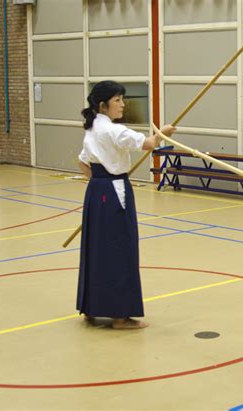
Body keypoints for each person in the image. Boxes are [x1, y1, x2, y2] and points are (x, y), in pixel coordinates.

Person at [77, 81, 176, 329]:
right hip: (113, 193)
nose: (123, 104)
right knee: (120, 250)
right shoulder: (111, 130)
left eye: (123, 99)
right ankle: (120, 316)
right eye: (118, 99)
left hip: (97, 192)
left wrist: (99, 185)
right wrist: (164, 132)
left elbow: (82, 162)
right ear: (103, 105)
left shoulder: (92, 129)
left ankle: (92, 308)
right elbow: (150, 144)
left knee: (97, 250)